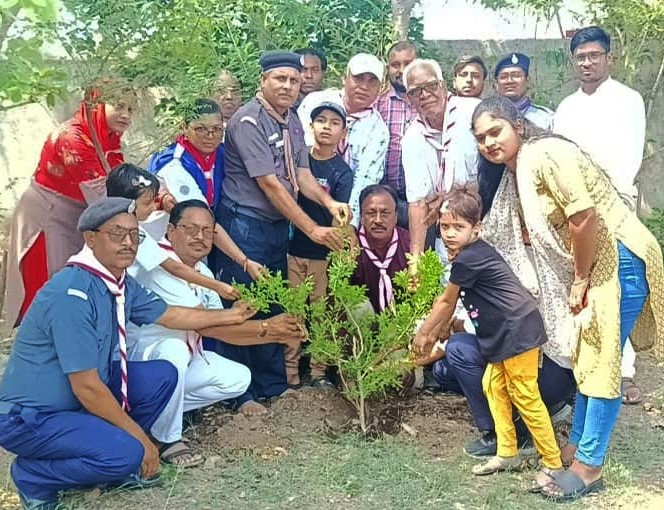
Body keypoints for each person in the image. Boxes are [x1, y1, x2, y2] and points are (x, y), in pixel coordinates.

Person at [0, 197, 258, 510]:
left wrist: (231, 315)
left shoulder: (119, 282)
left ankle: (113, 455)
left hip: (75, 402)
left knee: (163, 375)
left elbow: (170, 315)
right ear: (90, 238)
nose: (128, 243)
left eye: (134, 235)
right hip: (33, 417)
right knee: (129, 452)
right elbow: (87, 387)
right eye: (117, 234)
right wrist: (141, 439)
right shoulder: (72, 293)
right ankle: (33, 476)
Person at [472, 96, 663, 501]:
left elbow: (583, 215)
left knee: (601, 364)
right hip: (600, 263)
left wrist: (579, 278)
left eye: (495, 131)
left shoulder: (544, 153)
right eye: (481, 138)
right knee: (587, 362)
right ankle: (576, 448)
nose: (488, 143)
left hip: (618, 260)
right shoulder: (519, 169)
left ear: (518, 125)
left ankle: (589, 467)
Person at [216, 50, 350, 415]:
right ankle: (241, 394)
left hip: (276, 227)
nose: (288, 86)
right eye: (280, 79)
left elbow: (302, 175)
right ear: (263, 81)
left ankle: (273, 386)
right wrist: (313, 229)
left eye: (293, 80)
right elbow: (271, 185)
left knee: (275, 302)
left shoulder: (291, 120)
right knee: (243, 304)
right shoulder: (247, 121)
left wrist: (329, 204)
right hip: (244, 225)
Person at [127, 200, 306, 466]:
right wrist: (269, 328)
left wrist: (277, 333)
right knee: (174, 349)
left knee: (238, 378)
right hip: (143, 363)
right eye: (190, 229)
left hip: (182, 363)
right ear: (171, 231)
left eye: (207, 231)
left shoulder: (203, 272)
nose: (199, 237)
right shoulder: (160, 266)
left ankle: (152, 412)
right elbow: (204, 324)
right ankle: (168, 439)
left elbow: (224, 331)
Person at [413, 185, 562, 488]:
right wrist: (438, 327)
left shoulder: (469, 258)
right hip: (505, 333)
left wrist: (424, 334)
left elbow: (446, 301)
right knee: (493, 386)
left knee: (524, 394)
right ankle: (507, 452)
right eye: (445, 226)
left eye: (458, 227)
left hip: (517, 332)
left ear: (476, 228)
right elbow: (450, 302)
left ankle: (553, 462)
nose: (450, 233)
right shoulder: (471, 254)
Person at [553, 26, 647, 403]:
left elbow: (628, 161)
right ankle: (583, 370)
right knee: (581, 288)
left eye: (594, 55)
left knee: (615, 287)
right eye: (580, 57)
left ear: (609, 58)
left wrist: (601, 202)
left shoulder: (628, 100)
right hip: (574, 212)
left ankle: (623, 372)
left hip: (614, 207)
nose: (587, 63)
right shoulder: (566, 107)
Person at [4, 79, 136, 328]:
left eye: (130, 109)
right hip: (48, 218)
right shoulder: (71, 138)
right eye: (118, 106)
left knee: (72, 290)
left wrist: (159, 196)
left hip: (79, 217)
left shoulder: (108, 138)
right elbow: (103, 197)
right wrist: (142, 210)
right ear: (95, 104)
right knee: (49, 288)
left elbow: (123, 182)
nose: (126, 115)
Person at [146, 99, 261, 280]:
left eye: (216, 129)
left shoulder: (222, 153)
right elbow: (199, 218)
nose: (210, 136)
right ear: (184, 128)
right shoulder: (174, 165)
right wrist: (244, 261)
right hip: (163, 243)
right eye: (200, 129)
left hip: (198, 239)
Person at [286, 101, 353, 388]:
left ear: (343, 132)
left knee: (320, 314)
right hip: (292, 249)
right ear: (310, 126)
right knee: (293, 311)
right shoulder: (299, 160)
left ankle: (318, 372)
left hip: (322, 256)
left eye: (335, 123)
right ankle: (290, 371)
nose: (327, 127)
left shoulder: (342, 172)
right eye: (321, 120)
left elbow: (339, 217)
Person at [106, 163, 239, 301]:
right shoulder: (132, 233)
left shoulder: (111, 224)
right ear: (128, 203)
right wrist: (217, 286)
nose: (154, 207)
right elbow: (174, 268)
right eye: (147, 203)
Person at [298, 53, 389, 227]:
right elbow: (300, 156)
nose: (364, 86)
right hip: (302, 202)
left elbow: (364, 181)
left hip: (344, 207)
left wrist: (347, 226)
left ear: (381, 87)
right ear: (344, 78)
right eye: (358, 78)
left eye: (372, 81)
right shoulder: (314, 102)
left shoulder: (378, 130)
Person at [400, 58, 479, 255]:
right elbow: (418, 203)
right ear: (408, 99)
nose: (425, 95)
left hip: (488, 223)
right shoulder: (411, 138)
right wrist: (416, 258)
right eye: (416, 91)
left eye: (431, 86)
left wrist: (451, 195)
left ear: (443, 86)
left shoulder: (473, 113)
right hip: (448, 232)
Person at [375, 41, 418, 228]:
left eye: (408, 64)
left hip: (424, 202)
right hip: (385, 200)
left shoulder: (432, 103)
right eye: (395, 65)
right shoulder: (378, 104)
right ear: (388, 69)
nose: (402, 70)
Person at [350, 185, 410, 314]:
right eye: (371, 213)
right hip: (362, 323)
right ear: (361, 217)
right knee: (358, 306)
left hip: (405, 319)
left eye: (385, 213)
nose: (378, 220)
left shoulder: (410, 245)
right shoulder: (350, 248)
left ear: (396, 216)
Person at [494, 53, 553, 129]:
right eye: (503, 77)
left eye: (516, 76)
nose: (509, 81)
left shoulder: (546, 118)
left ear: (528, 81)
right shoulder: (487, 116)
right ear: (496, 84)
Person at [212, 70, 243, 137]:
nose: (229, 96)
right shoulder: (199, 127)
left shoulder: (252, 124)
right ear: (209, 94)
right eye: (222, 90)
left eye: (235, 91)